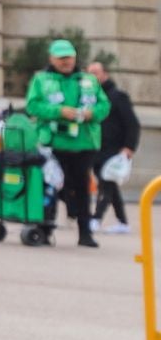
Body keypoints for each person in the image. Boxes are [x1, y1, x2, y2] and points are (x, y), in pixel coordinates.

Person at [26, 41, 109, 247]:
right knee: (52, 186)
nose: (66, 62)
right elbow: (32, 105)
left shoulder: (88, 80)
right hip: (53, 143)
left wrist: (92, 113)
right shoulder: (41, 80)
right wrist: (59, 111)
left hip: (84, 142)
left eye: (69, 57)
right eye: (61, 58)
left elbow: (104, 105)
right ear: (52, 59)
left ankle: (85, 233)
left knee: (82, 187)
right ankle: (45, 230)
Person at [91, 61, 141, 235]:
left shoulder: (118, 96)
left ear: (105, 74)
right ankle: (123, 222)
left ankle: (96, 218)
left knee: (107, 184)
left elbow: (132, 123)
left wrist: (129, 147)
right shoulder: (92, 98)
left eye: (96, 73)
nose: (93, 77)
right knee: (110, 186)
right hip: (97, 148)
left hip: (114, 150)